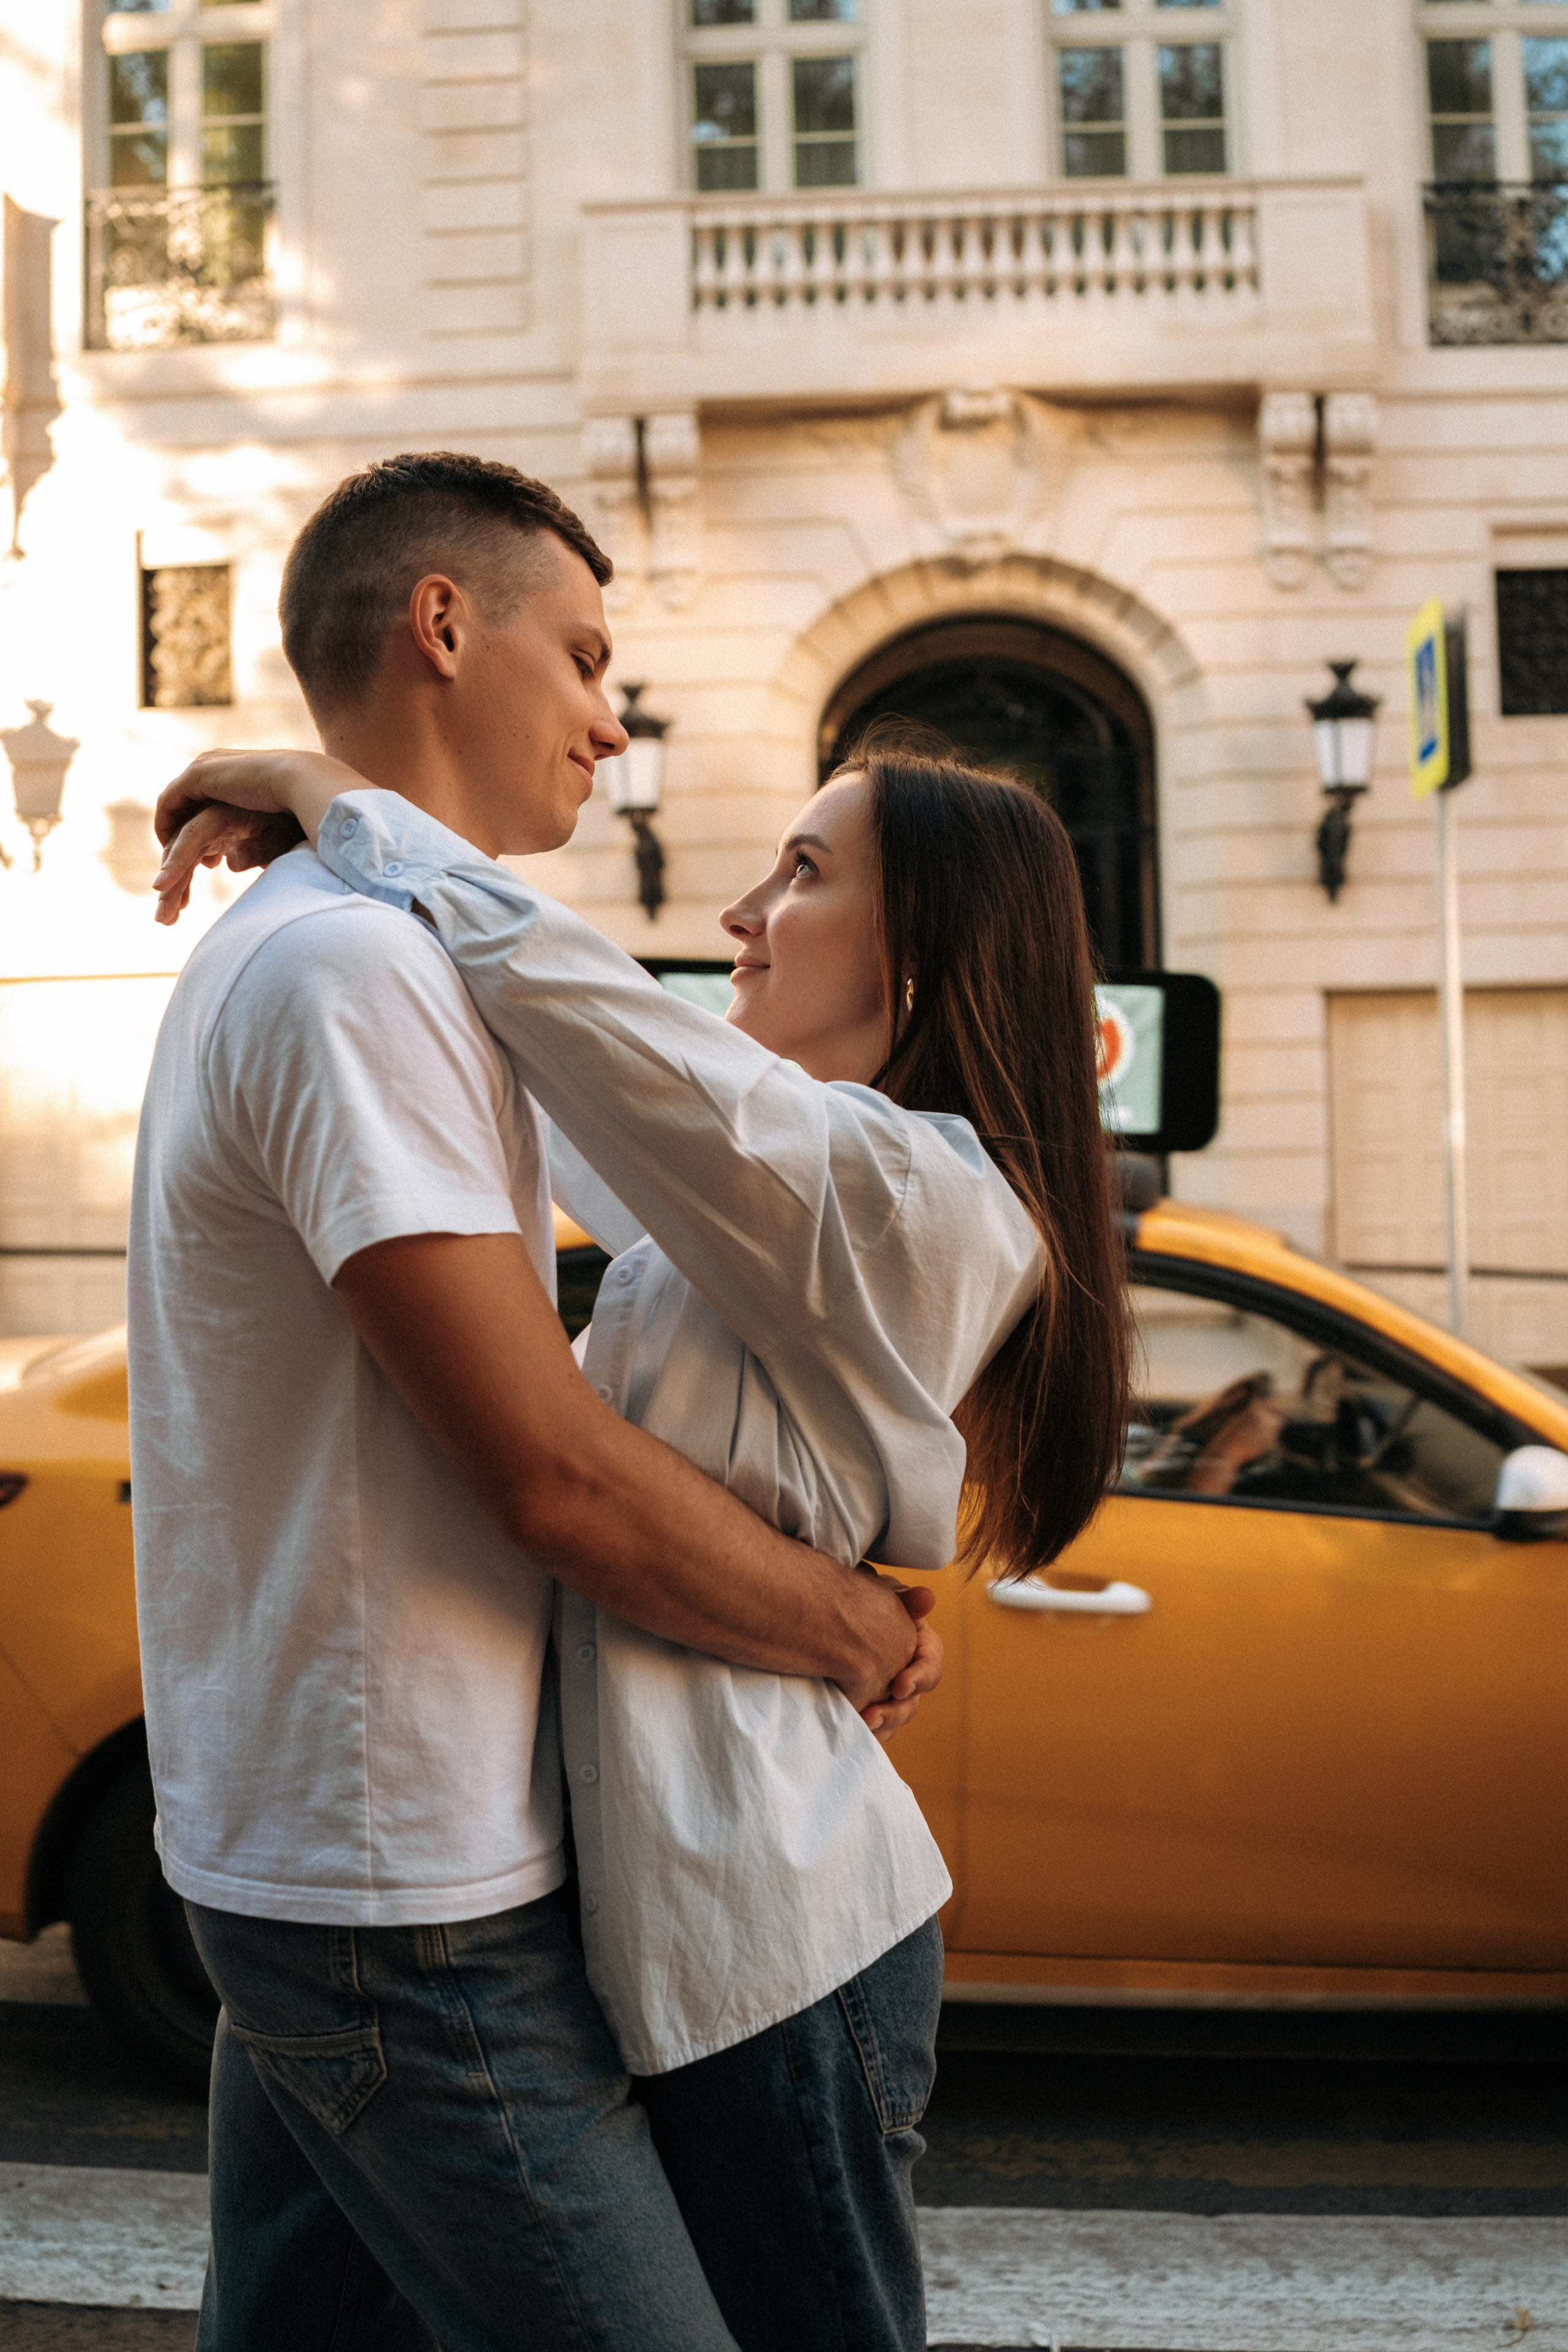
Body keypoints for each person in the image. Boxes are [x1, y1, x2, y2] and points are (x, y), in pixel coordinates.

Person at [154, 602, 1131, 2345]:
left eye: (805, 874)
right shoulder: (764, 1201)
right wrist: (834, 1611)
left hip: (773, 1934)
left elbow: (573, 1003)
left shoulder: (913, 1201)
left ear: (931, 949)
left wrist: (327, 792)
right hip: (654, 1906)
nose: (748, 915)